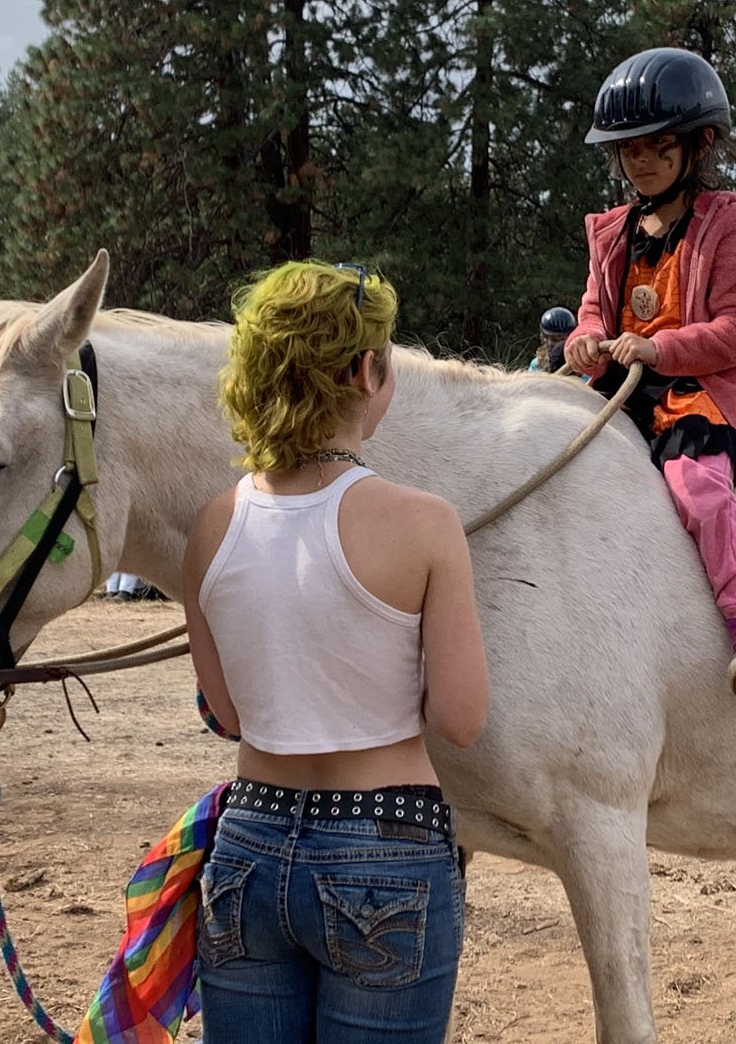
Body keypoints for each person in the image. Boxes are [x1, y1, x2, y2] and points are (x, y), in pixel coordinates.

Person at [181, 260, 489, 1043]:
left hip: (247, 844)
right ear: (365, 370)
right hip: (385, 847)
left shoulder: (213, 524)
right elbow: (459, 717)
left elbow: (225, 712)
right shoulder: (423, 523)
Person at [564, 47, 736, 723]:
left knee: (699, 489)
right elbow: (593, 310)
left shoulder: (730, 225)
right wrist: (584, 341)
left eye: (656, 147)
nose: (640, 162)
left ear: (698, 143)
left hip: (700, 394)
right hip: (619, 393)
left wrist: (657, 347)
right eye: (629, 151)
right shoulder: (612, 233)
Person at [527, 306, 577, 373]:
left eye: (562, 339)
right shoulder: (536, 364)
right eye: (553, 340)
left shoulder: (584, 363)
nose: (558, 345)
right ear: (544, 338)